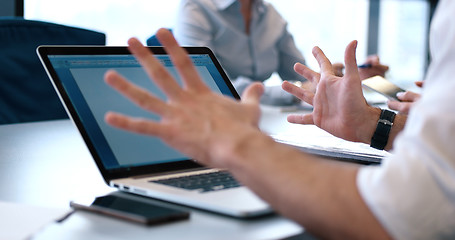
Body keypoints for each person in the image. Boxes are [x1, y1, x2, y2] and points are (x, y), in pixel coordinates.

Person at [103, 0, 454, 238]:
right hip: (243, 113)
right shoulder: (197, 8)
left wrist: (240, 144)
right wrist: (371, 123)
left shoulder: (269, 14)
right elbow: (222, 83)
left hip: (255, 121)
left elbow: (410, 214)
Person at [173, 0, 387, 106]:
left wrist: (348, 76)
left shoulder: (269, 14)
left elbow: (300, 72)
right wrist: (295, 90)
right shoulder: (196, 10)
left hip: (264, 118)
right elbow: (214, 86)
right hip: (221, 118)